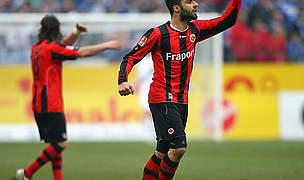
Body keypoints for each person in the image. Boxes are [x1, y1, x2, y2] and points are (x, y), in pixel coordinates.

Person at [118, 0, 242, 179]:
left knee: (163, 151)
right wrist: (123, 80)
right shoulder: (158, 34)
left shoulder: (195, 30)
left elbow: (228, 20)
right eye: (189, 1)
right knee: (178, 148)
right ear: (176, 8)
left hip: (182, 100)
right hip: (161, 98)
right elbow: (130, 57)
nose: (196, 4)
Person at [14, 14, 121, 180]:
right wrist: (106, 45)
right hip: (50, 102)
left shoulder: (37, 48)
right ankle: (27, 173)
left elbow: (60, 46)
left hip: (38, 102)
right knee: (60, 143)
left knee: (55, 142)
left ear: (42, 30)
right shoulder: (52, 49)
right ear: (57, 30)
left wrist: (76, 33)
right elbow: (81, 52)